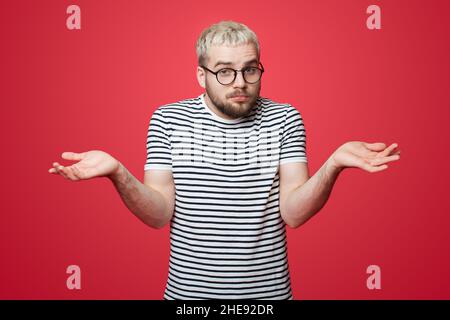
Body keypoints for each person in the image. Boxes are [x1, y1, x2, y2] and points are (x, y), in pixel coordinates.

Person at [48, 21, 401, 300]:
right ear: (201, 75)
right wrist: (117, 172)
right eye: (224, 71)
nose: (240, 82)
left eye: (250, 70)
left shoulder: (285, 118)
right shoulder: (169, 120)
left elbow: (293, 213)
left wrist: (333, 165)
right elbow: (159, 215)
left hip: (268, 298)